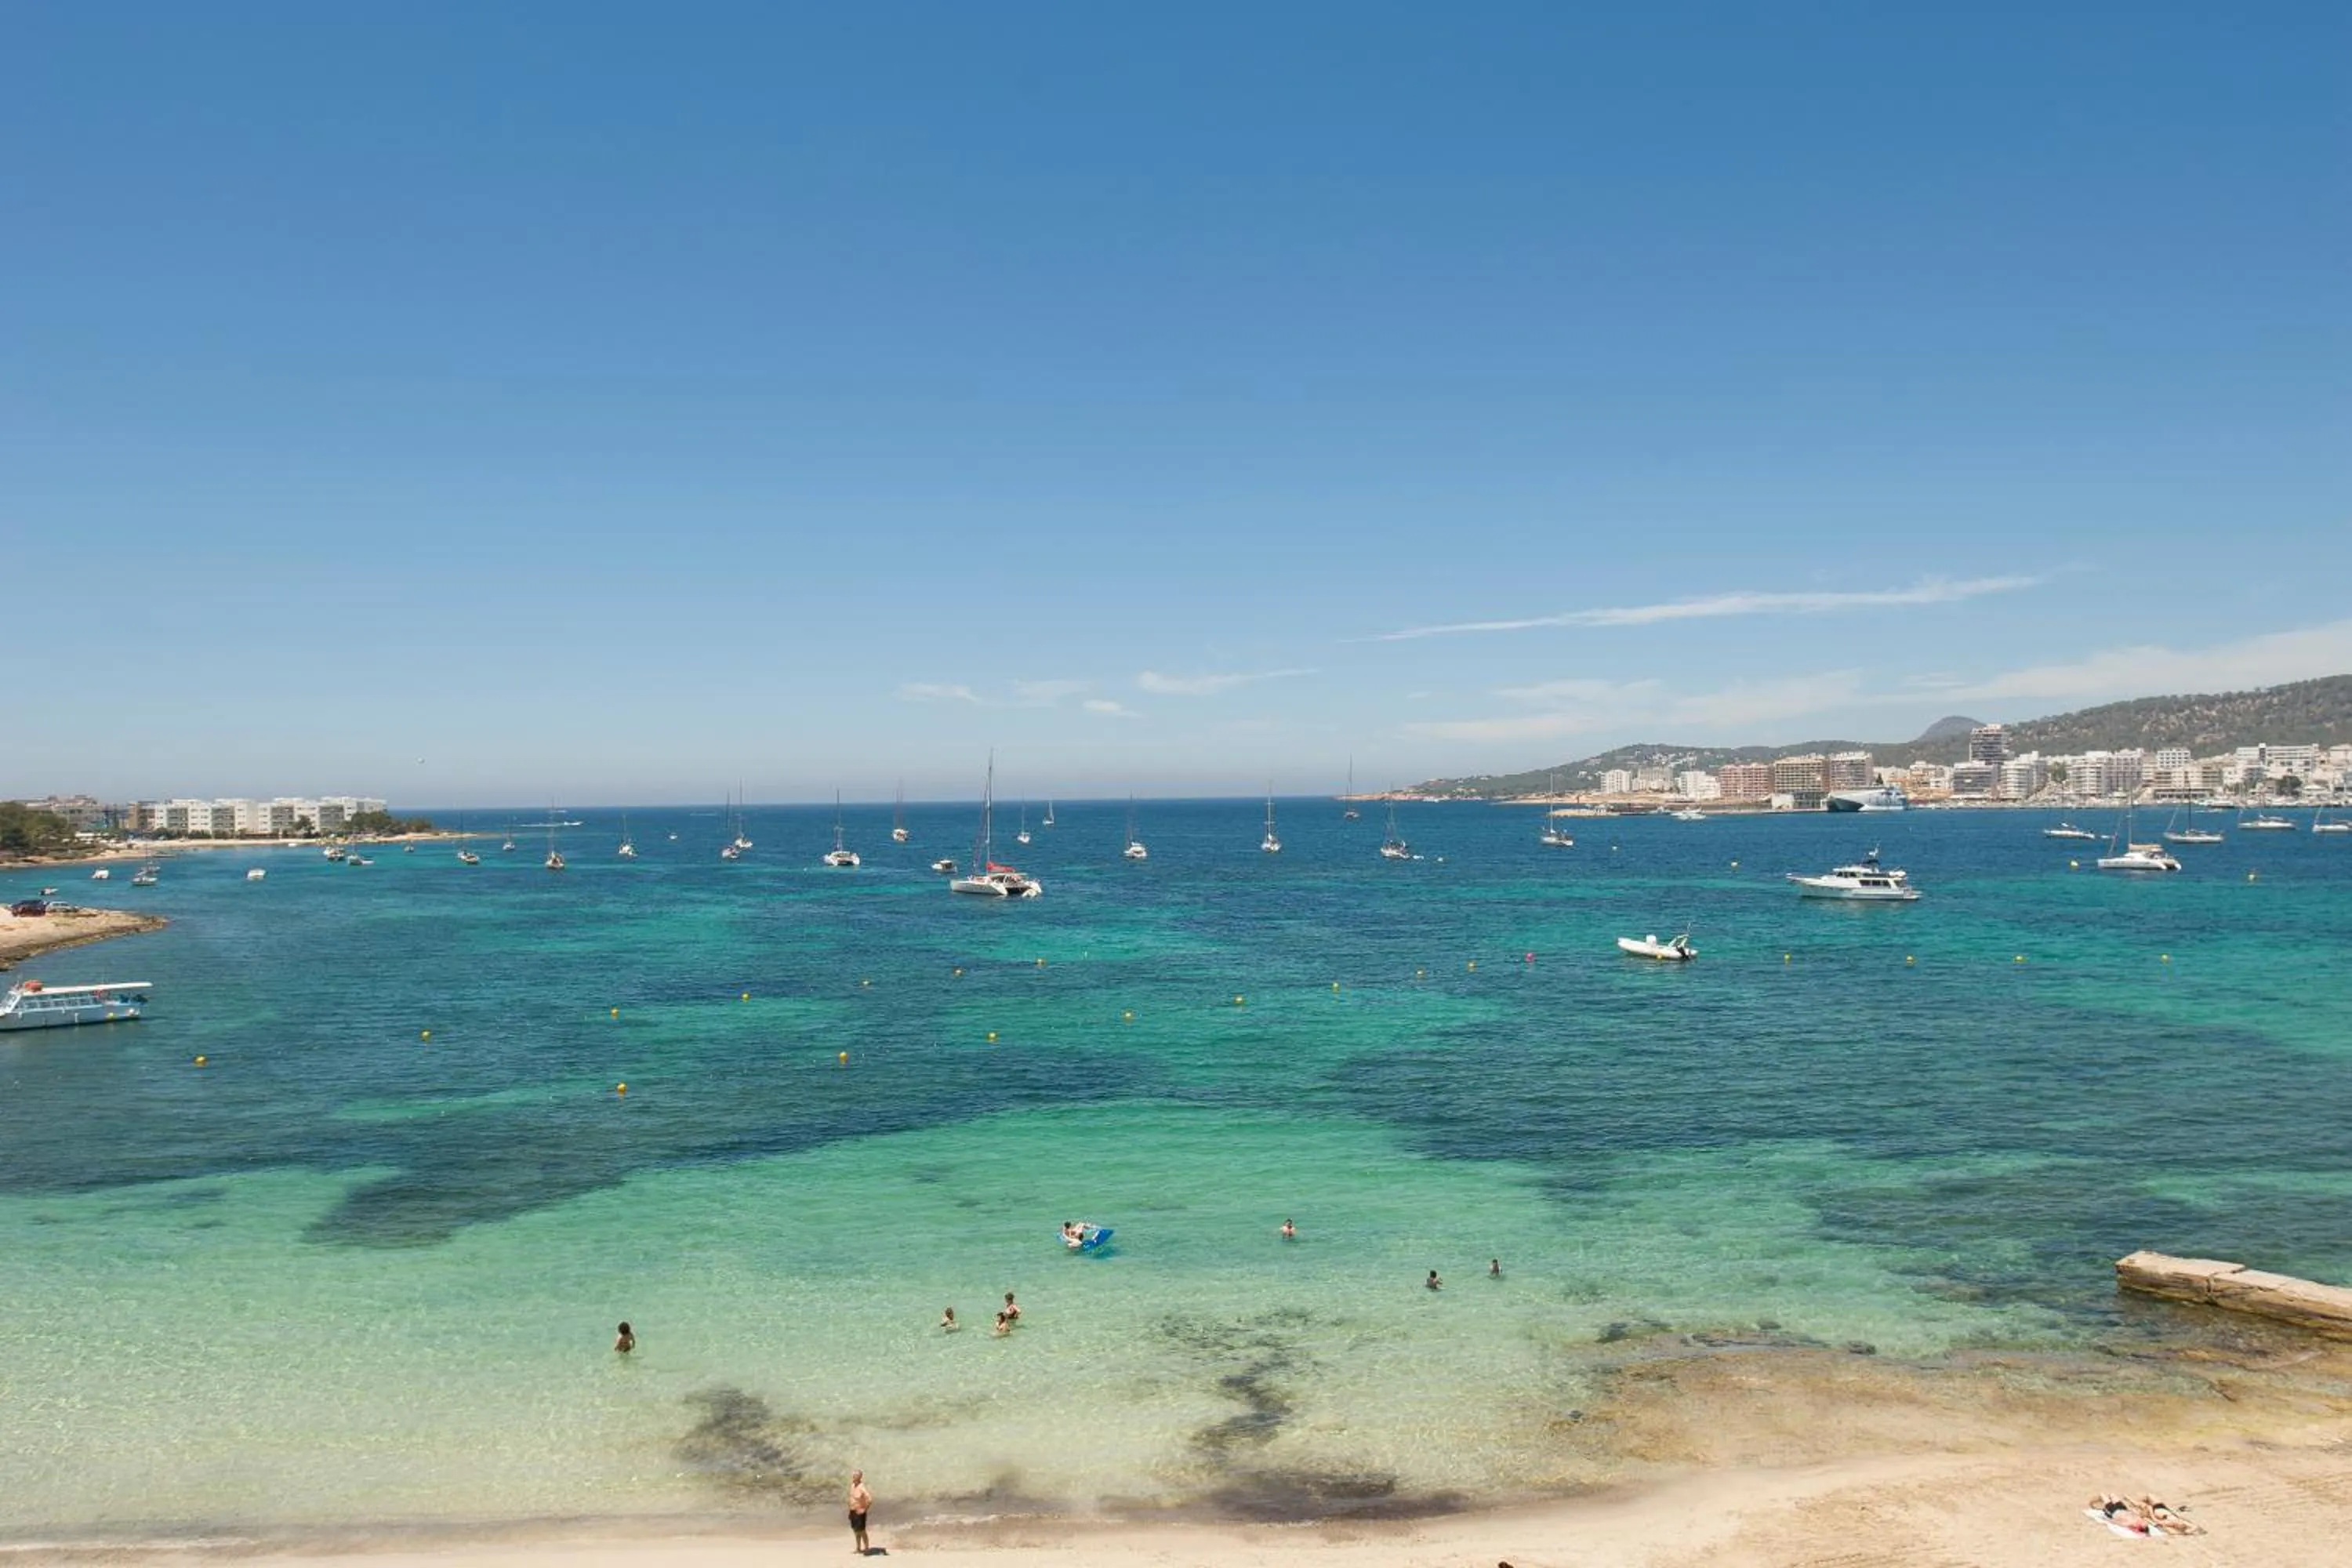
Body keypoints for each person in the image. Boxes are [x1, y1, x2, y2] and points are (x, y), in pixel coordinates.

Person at [848, 1469, 873, 1555]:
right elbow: (852, 1498)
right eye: (853, 1475)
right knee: (856, 1531)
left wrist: (864, 1509)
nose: (853, 1477)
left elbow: (869, 1499)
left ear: (859, 1477)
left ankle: (866, 1549)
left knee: (862, 1531)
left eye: (855, 1476)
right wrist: (850, 1510)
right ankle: (858, 1548)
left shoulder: (862, 1487)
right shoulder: (852, 1485)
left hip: (860, 1512)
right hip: (852, 1511)